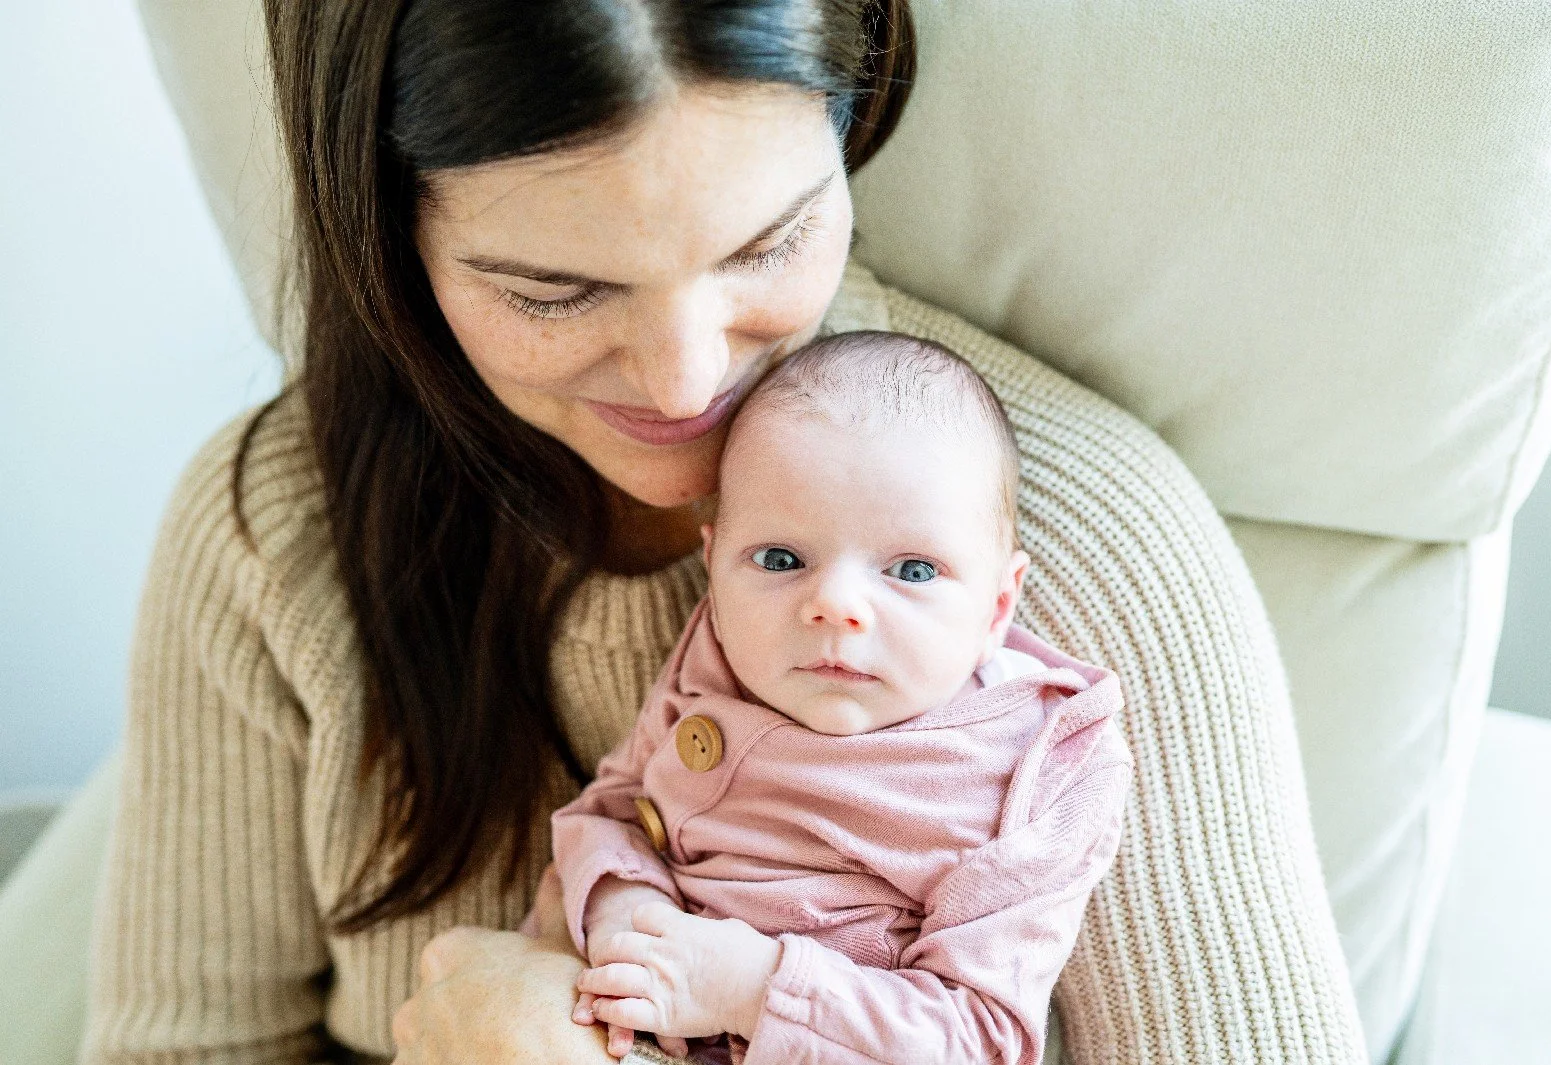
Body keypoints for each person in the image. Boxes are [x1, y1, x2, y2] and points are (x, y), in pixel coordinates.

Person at [80, 1, 1366, 1063]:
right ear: (389, 235)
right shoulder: (273, 530)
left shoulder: (1090, 553)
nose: (688, 383)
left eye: (771, 241)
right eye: (555, 290)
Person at [548, 331, 1133, 1064]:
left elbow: (980, 1038)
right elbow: (607, 810)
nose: (835, 604)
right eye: (781, 559)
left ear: (998, 606)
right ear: (714, 573)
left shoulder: (1037, 765)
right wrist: (621, 905)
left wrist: (753, 987)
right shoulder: (720, 658)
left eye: (913, 569)